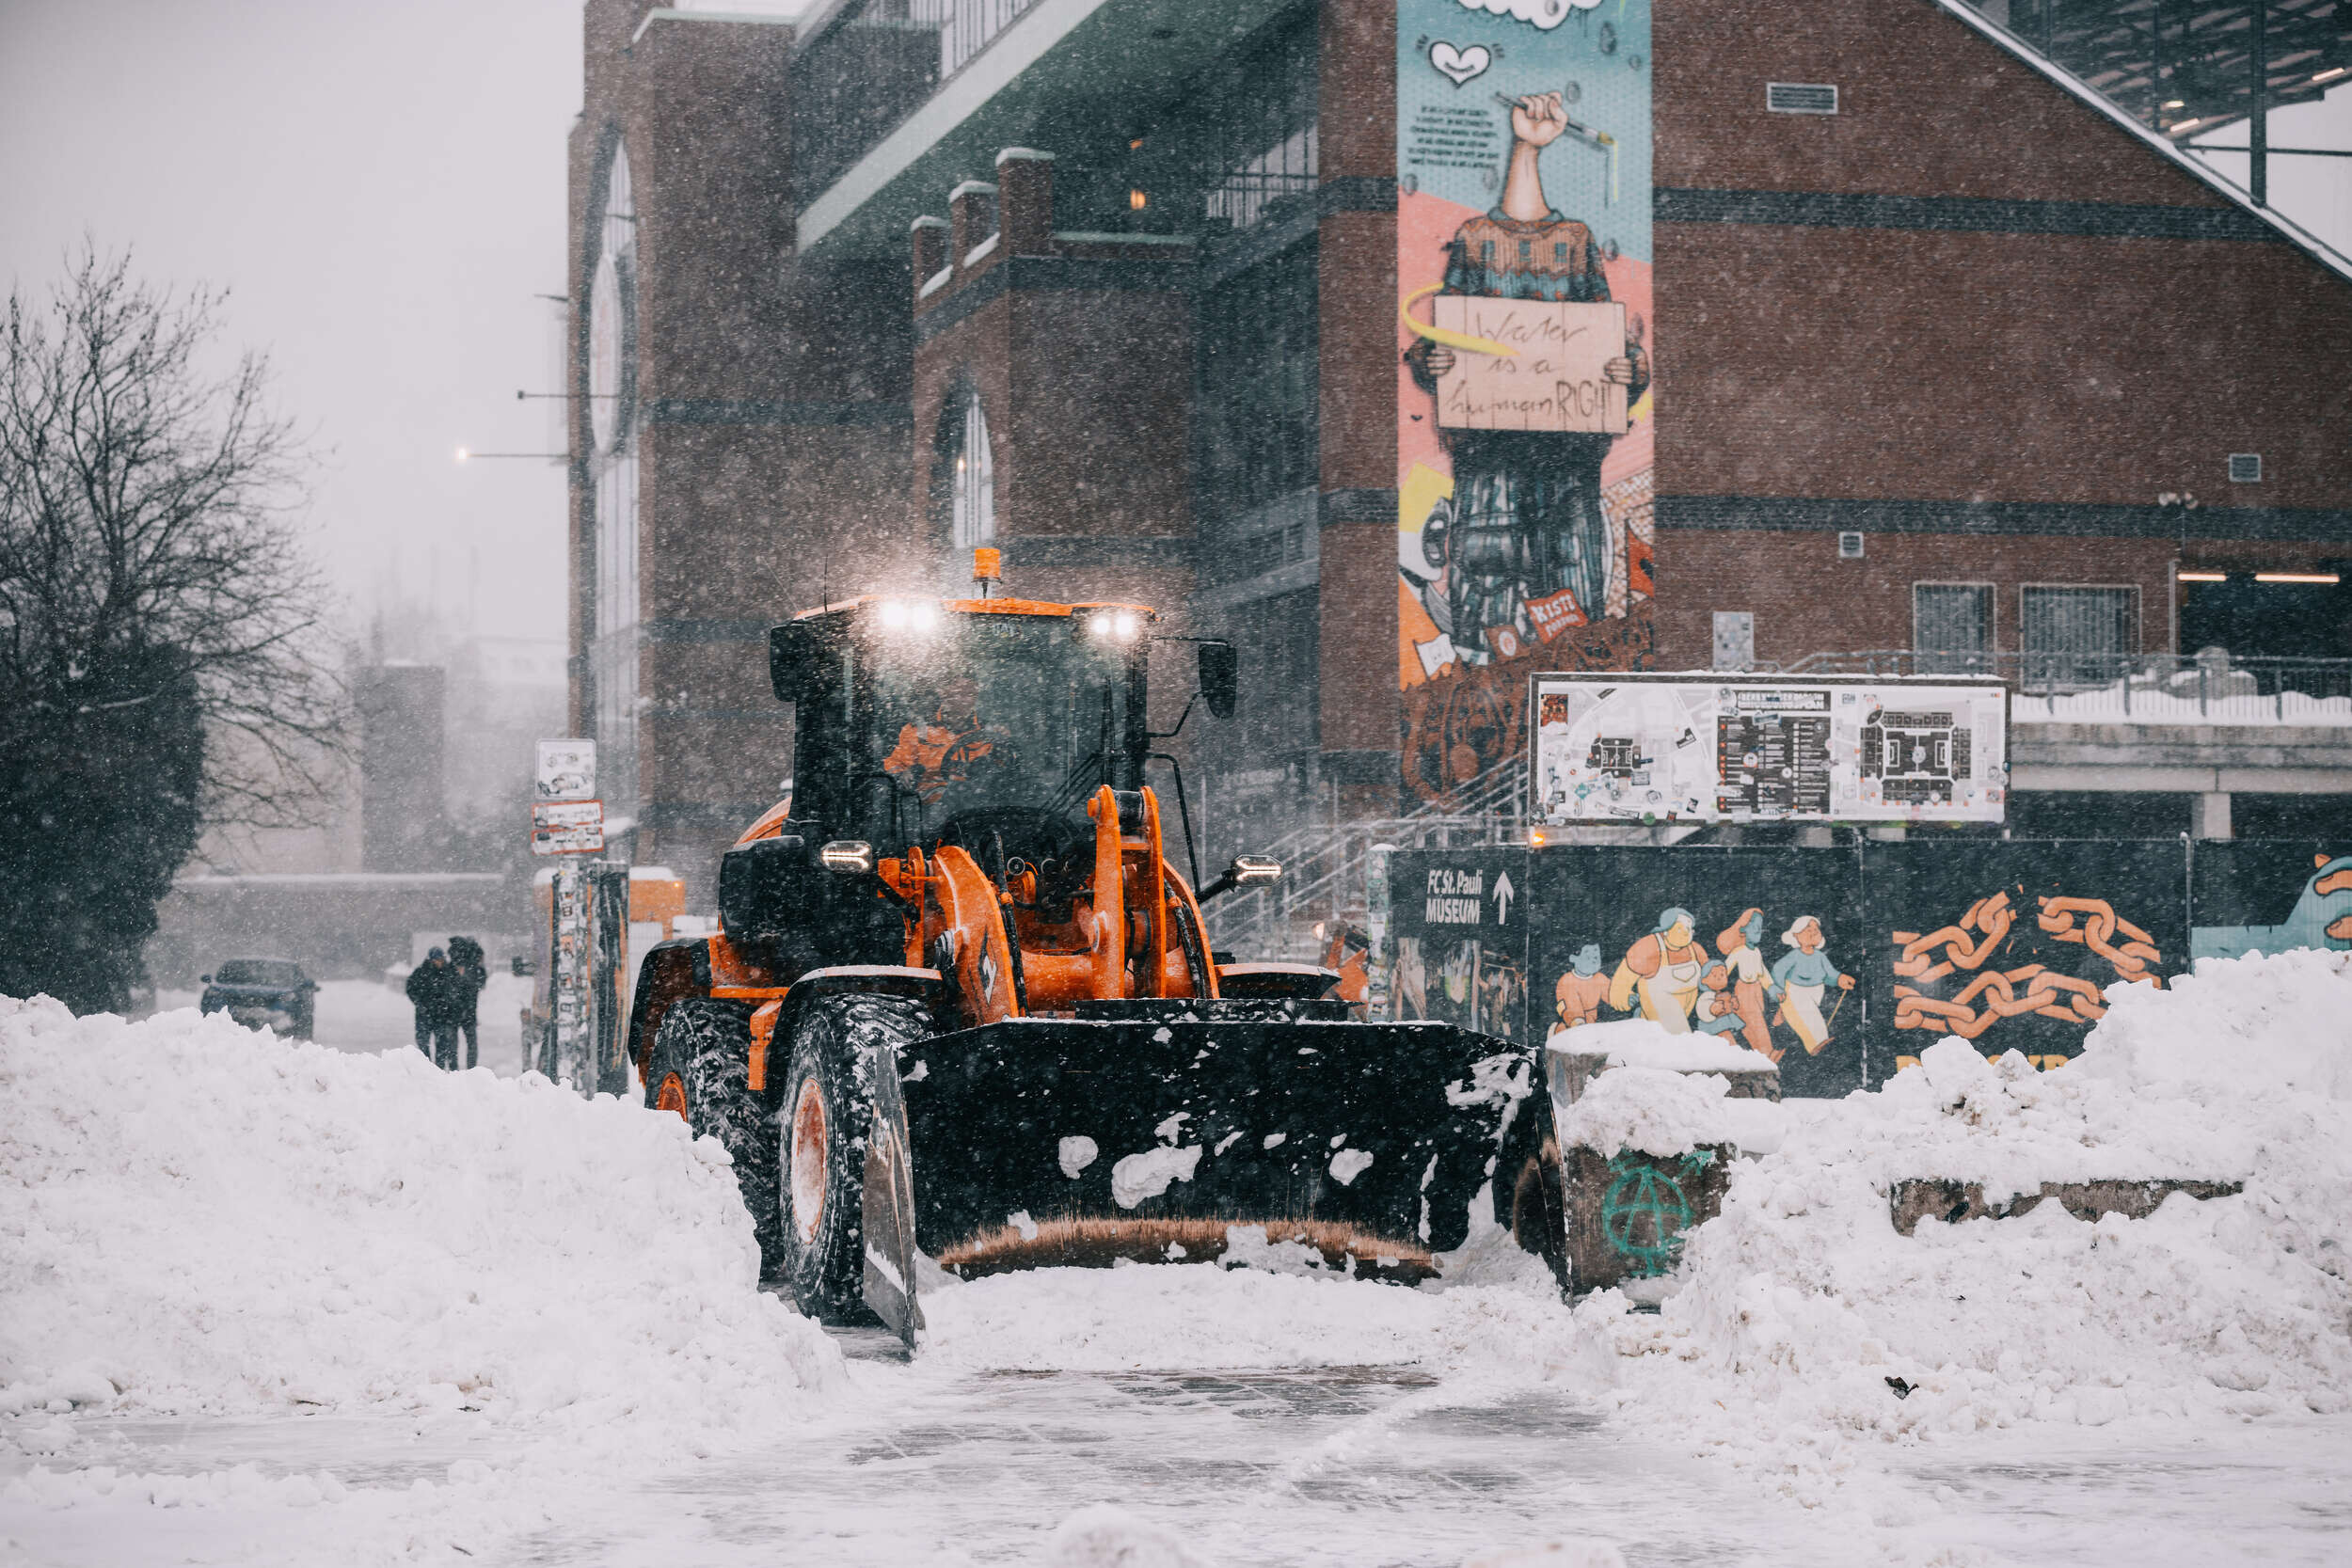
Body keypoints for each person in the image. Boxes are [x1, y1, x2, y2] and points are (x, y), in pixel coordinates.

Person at [1406, 91, 1648, 660]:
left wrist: (1624, 370)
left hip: (1563, 458)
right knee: (1496, 569)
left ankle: (1562, 676)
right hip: (1493, 459)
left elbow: (1613, 344)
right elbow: (1444, 326)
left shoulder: (1579, 243)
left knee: (1566, 574)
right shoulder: (1472, 239)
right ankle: (1502, 670)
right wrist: (1431, 359)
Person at [882, 675, 997, 804]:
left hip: (976, 808)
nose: (965, 699)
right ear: (944, 692)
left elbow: (1002, 773)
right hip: (927, 810)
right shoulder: (919, 730)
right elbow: (895, 763)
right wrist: (901, 773)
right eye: (959, 692)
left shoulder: (989, 733)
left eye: (970, 693)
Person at [1771, 916, 1854, 1057]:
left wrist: (1841, 979)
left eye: (1816, 929)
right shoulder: (1795, 956)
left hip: (1816, 993)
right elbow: (1779, 970)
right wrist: (1778, 989)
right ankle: (1815, 1044)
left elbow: (1830, 974)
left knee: (1815, 1020)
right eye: (1808, 929)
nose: (1813, 932)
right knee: (1809, 1019)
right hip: (1796, 992)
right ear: (1796, 935)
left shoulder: (1820, 957)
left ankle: (1818, 1042)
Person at [405, 947, 461, 1069]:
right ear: (431, 960)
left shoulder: (448, 972)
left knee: (441, 1046)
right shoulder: (421, 972)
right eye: (437, 960)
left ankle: (438, 1072)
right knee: (423, 1044)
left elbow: (455, 990)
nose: (440, 962)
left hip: (442, 1015)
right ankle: (426, 1069)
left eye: (441, 959)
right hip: (424, 1015)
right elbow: (410, 989)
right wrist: (419, 1004)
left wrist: (449, 1004)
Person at [447, 935, 488, 1070]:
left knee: (454, 1045)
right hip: (468, 1012)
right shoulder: (474, 969)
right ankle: (471, 1070)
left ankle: (456, 1071)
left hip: (454, 1012)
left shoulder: (452, 969)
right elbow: (479, 984)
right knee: (470, 1043)